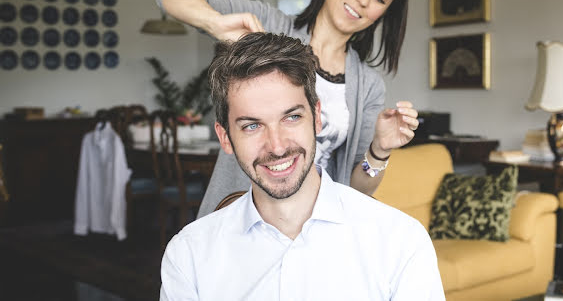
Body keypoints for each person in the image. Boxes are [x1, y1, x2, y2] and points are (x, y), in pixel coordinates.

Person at [160, 33, 445, 301]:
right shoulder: (189, 255)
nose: (277, 146)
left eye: (292, 117)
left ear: (317, 118)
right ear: (225, 138)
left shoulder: (399, 241)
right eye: (252, 125)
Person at [154, 0, 419, 216]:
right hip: (238, 217)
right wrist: (214, 23)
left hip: (314, 232)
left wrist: (380, 149)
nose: (364, 0)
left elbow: (357, 189)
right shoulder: (269, 27)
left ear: (384, 13)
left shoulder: (368, 86)